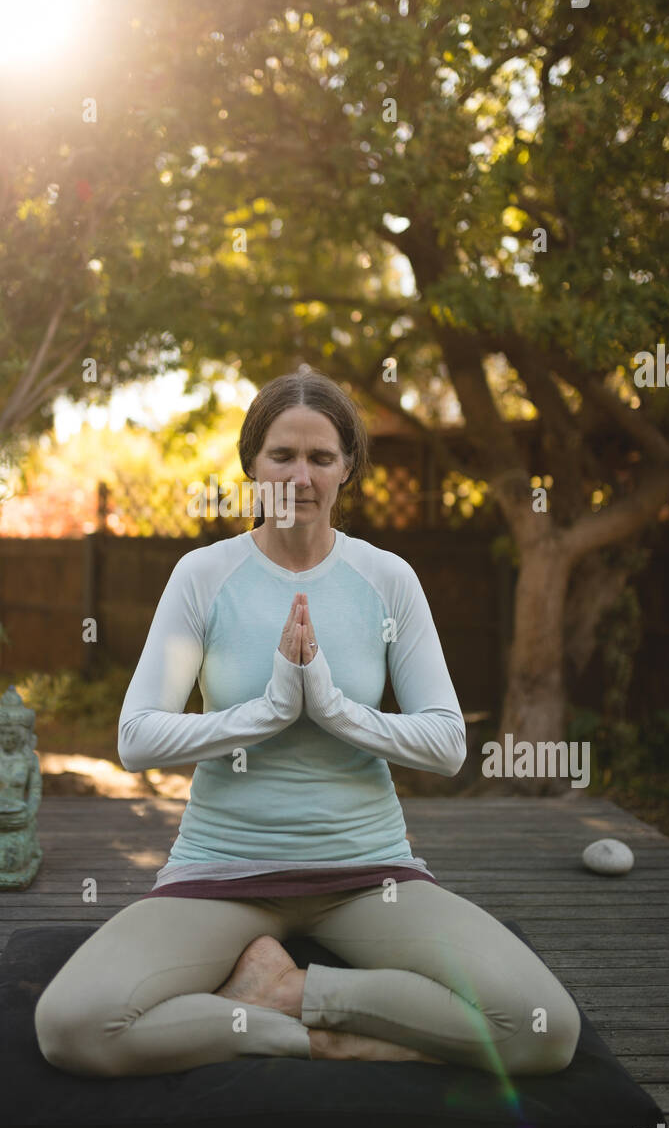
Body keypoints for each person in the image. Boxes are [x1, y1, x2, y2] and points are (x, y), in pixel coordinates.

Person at [35, 368, 581, 1079]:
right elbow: (137, 737)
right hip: (223, 870)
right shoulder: (204, 575)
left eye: (321, 457)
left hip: (368, 875)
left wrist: (332, 709)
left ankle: (291, 991)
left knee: (544, 1030)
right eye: (281, 456)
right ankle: (302, 1033)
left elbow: (448, 743)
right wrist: (265, 713)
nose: (301, 475)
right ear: (250, 465)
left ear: (347, 466)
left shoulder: (387, 580)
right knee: (71, 1026)